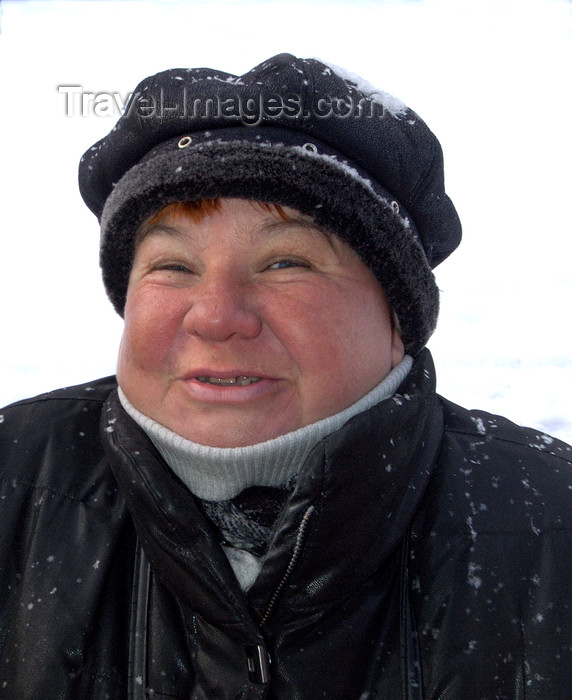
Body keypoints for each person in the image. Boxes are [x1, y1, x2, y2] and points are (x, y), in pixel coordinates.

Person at [0, 53, 570, 700]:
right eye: (173, 267)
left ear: (397, 321)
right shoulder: (15, 477)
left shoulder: (551, 522)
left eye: (286, 262)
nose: (216, 317)